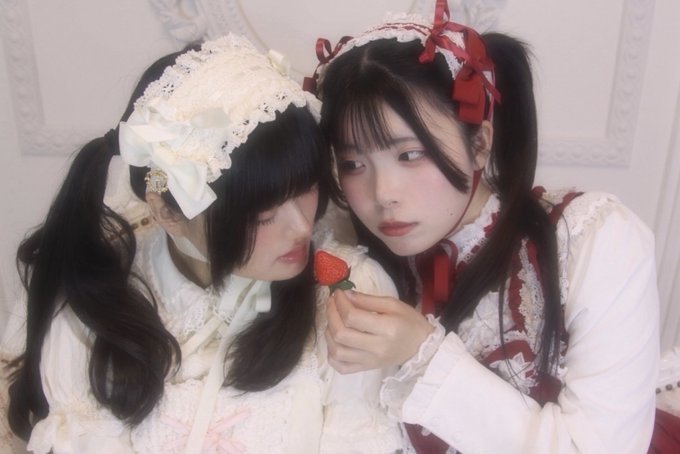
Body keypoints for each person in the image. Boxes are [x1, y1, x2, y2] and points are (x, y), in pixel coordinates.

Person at [0, 34, 402, 453]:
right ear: (168, 213)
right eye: (263, 215)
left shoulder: (347, 292)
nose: (302, 226)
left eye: (306, 187)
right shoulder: (94, 302)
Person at [310, 1, 663, 452]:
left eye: (410, 154)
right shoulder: (345, 256)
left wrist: (424, 355)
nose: (382, 194)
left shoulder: (593, 240)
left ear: (479, 143)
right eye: (353, 164)